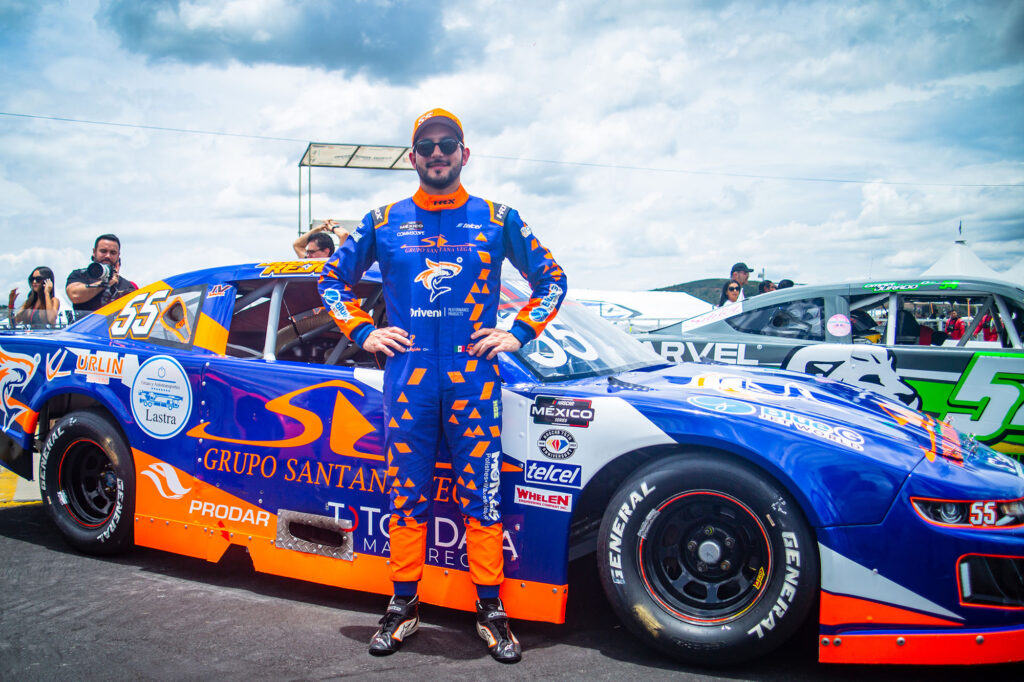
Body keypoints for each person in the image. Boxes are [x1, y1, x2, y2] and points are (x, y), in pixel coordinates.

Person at [318, 108, 566, 664]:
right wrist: (362, 330)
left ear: (464, 153)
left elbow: (552, 280)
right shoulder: (383, 220)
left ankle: (490, 610)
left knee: (483, 496)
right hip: (408, 380)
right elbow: (331, 278)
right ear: (412, 157)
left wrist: (518, 332)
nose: (436, 153)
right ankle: (403, 604)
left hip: (473, 378)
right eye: (426, 146)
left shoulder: (498, 218)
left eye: (447, 144)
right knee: (406, 496)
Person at [66, 234, 137, 313]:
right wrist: (107, 283)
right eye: (103, 251)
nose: (108, 256)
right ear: (94, 252)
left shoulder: (127, 286)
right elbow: (75, 296)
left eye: (113, 253)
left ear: (118, 255)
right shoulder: (80, 275)